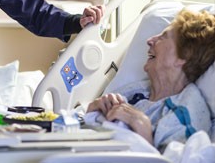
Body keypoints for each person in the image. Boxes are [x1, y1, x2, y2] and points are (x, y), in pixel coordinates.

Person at [86, 9, 215, 152]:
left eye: (163, 37)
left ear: (184, 55)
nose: (150, 40)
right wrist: (92, 109)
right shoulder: (138, 90)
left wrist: (143, 131)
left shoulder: (187, 113)